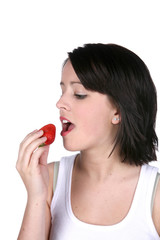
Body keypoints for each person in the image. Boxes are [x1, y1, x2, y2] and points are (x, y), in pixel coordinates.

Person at [16, 43, 160, 240]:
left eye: (79, 94)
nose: (60, 103)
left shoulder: (154, 194)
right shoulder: (49, 180)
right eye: (62, 91)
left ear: (117, 111)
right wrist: (36, 196)